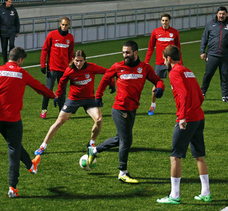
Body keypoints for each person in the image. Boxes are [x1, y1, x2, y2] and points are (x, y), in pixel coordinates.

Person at [0, 47, 56, 198]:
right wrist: (53, 95)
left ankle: (31, 164)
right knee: (13, 150)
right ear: (20, 60)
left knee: (13, 143)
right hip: (12, 119)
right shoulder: (22, 73)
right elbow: (39, 87)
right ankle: (12, 187)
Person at [88, 40, 165, 183]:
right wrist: (98, 96)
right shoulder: (118, 67)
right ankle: (122, 172)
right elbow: (105, 79)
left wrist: (160, 88)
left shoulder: (145, 68)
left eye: (128, 52)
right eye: (123, 52)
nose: (125, 55)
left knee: (119, 139)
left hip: (132, 109)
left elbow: (158, 81)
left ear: (135, 53)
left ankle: (95, 150)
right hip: (119, 109)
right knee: (126, 140)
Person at [157, 45, 212, 204]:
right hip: (198, 116)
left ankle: (174, 196)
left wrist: (182, 116)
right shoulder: (188, 70)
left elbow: (183, 93)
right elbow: (199, 94)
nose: (163, 62)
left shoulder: (174, 72)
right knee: (199, 156)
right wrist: (196, 108)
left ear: (168, 59)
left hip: (187, 118)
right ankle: (206, 193)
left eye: (164, 59)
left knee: (175, 156)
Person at [34, 50, 115, 155]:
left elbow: (108, 72)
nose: (79, 63)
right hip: (73, 100)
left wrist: (111, 83)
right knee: (59, 122)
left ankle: (91, 143)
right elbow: (62, 84)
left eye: (81, 61)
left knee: (99, 120)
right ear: (73, 60)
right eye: (77, 61)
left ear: (84, 60)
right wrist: (57, 96)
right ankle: (42, 146)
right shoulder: (69, 71)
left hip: (89, 100)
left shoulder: (92, 67)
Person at [145, 13, 182, 115]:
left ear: (169, 21)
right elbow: (150, 47)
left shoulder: (174, 32)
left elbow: (178, 49)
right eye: (163, 20)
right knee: (156, 85)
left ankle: (180, 107)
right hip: (160, 63)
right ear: (160, 21)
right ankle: (152, 105)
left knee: (176, 85)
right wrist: (146, 61)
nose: (164, 22)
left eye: (166, 20)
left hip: (173, 63)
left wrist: (180, 62)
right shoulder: (156, 32)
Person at [40, 17, 74, 119]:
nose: (64, 27)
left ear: (69, 25)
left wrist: (71, 67)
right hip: (52, 68)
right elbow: (45, 49)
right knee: (48, 90)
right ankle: (44, 109)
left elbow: (70, 54)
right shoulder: (52, 34)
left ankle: (61, 111)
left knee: (62, 91)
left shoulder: (70, 38)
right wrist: (43, 65)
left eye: (66, 25)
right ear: (60, 24)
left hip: (64, 69)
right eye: (63, 25)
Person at [200, 6, 228, 102]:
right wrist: (202, 51)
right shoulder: (210, 24)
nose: (221, 16)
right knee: (208, 75)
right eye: (220, 14)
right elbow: (204, 38)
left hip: (225, 56)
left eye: (223, 14)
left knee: (225, 76)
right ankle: (202, 93)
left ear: (226, 15)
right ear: (217, 14)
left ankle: (225, 96)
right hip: (212, 55)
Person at [0, 0, 20, 64]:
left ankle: (11, 60)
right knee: (4, 47)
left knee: (12, 45)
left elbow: (17, 21)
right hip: (3, 31)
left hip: (12, 31)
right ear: (6, 2)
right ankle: (5, 60)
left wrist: (17, 31)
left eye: (11, 2)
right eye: (9, 2)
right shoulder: (0, 10)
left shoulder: (13, 10)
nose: (10, 3)